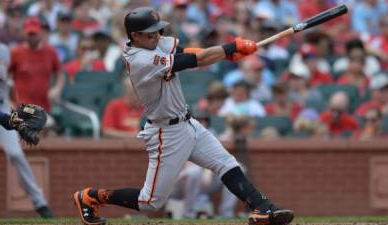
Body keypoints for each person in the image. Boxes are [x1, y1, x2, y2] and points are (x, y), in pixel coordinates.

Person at [73, 7, 294, 225]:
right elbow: (195, 62)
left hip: (188, 123)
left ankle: (264, 208)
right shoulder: (139, 60)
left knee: (226, 163)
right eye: (151, 34)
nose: (157, 36)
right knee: (149, 202)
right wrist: (229, 47)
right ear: (135, 36)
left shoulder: (154, 42)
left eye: (158, 31)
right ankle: (92, 196)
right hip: (165, 133)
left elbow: (189, 53)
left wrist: (226, 54)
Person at [0, 19, 53, 218]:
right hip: (1, 116)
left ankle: (40, 204)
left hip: (0, 107)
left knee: (16, 154)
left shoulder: (2, 50)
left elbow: (1, 78)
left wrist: (10, 113)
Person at [9, 16, 65, 113]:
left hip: (44, 108)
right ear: (24, 33)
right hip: (22, 109)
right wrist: (8, 101)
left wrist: (57, 89)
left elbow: (60, 73)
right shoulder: (15, 52)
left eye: (34, 33)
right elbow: (2, 76)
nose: (32, 37)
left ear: (40, 32)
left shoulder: (51, 52)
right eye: (29, 34)